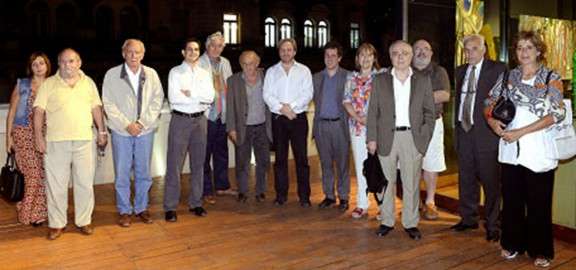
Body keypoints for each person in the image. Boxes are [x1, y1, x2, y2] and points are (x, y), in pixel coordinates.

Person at [485, 31, 565, 268]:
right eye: (520, 48)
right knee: (511, 201)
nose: (524, 52)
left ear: (539, 51)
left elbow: (556, 114)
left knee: (539, 203)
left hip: (538, 150)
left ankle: (541, 251)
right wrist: (493, 123)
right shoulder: (508, 76)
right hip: (510, 150)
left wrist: (521, 132)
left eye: (529, 47)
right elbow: (489, 103)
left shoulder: (552, 77)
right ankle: (512, 244)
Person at [33, 48, 107, 240]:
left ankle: (84, 221)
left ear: (79, 63)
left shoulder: (88, 82)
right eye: (64, 62)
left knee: (84, 183)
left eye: (72, 61)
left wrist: (102, 130)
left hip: (84, 140)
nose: (68, 65)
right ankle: (57, 224)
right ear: (59, 64)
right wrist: (38, 137)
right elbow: (39, 112)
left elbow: (96, 108)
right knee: (56, 185)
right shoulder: (49, 84)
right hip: (56, 142)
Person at [366, 40, 435, 240]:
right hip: (386, 136)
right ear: (390, 57)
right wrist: (371, 138)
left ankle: (410, 223)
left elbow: (429, 112)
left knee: (411, 183)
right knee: (386, 182)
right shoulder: (380, 80)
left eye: (404, 53)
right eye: (395, 53)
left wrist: (425, 136)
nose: (400, 57)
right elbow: (373, 113)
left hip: (413, 138)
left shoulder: (423, 80)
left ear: (411, 56)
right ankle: (387, 221)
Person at [102, 39, 164, 227]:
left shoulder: (151, 74)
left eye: (137, 52)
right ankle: (124, 210)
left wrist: (142, 123)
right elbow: (108, 103)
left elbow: (157, 99)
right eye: (130, 52)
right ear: (123, 53)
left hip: (145, 131)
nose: (134, 56)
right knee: (122, 172)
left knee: (143, 171)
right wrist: (127, 124)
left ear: (143, 54)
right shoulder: (112, 75)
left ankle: (141, 208)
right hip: (122, 131)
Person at [452, 34, 506, 242]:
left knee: (491, 182)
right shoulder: (460, 71)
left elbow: (502, 100)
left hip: (486, 134)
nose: (470, 53)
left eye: (474, 48)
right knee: (466, 178)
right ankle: (468, 218)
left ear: (484, 49)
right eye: (467, 49)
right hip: (464, 132)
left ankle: (493, 225)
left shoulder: (497, 69)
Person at [164, 38, 214, 222]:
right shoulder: (175, 72)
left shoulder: (204, 72)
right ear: (183, 52)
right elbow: (174, 98)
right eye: (189, 49)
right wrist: (197, 97)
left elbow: (210, 97)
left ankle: (196, 202)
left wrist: (190, 94)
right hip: (181, 120)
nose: (193, 52)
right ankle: (170, 206)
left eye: (196, 49)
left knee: (199, 164)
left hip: (200, 121)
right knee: (174, 165)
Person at [263, 38, 314, 207]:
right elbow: (267, 95)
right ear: (279, 52)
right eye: (283, 49)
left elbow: (308, 93)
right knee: (280, 159)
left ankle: (305, 197)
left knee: (301, 159)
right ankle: (281, 195)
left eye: (289, 49)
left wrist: (291, 108)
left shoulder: (304, 70)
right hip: (279, 119)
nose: (286, 52)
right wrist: (282, 109)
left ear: (294, 51)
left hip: (298, 119)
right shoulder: (271, 71)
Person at [5, 52, 50, 226]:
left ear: (47, 65)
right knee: (33, 173)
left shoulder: (53, 85)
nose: (38, 67)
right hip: (23, 133)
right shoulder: (22, 84)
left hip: (45, 135)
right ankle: (27, 213)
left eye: (41, 63)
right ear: (30, 68)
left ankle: (38, 212)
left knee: (42, 174)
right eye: (34, 64)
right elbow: (11, 112)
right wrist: (8, 138)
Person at [411, 39, 451, 220]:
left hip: (433, 124)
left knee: (431, 164)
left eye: (425, 49)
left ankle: (430, 202)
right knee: (410, 164)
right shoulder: (404, 70)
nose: (421, 52)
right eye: (417, 49)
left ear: (431, 53)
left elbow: (444, 95)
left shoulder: (439, 71)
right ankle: (413, 202)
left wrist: (417, 97)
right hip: (409, 125)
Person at [344, 43, 383, 219]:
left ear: (374, 58)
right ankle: (362, 204)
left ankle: (384, 205)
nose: (366, 59)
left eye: (369, 55)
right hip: (358, 128)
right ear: (357, 59)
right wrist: (359, 118)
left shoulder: (382, 77)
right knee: (361, 166)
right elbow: (346, 101)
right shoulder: (351, 78)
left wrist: (372, 119)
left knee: (381, 166)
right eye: (362, 55)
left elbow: (387, 101)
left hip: (379, 128)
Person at [226, 50, 272, 203]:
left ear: (257, 63)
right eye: (244, 64)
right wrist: (231, 128)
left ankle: (260, 191)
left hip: (263, 126)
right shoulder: (233, 81)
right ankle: (243, 191)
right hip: (242, 127)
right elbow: (230, 107)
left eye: (251, 63)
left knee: (263, 161)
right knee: (242, 162)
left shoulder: (267, 77)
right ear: (240, 65)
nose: (248, 67)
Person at [313, 41, 350, 211]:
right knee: (325, 163)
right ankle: (329, 195)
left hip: (340, 126)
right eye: (327, 55)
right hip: (321, 126)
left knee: (342, 163)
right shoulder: (316, 77)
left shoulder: (348, 77)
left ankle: (343, 197)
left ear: (339, 58)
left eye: (333, 55)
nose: (329, 58)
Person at [199, 31, 235, 204]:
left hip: (223, 115)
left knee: (221, 151)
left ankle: (222, 186)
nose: (216, 48)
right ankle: (206, 190)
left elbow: (230, 88)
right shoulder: (198, 63)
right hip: (207, 116)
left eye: (219, 45)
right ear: (207, 46)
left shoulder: (226, 63)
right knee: (204, 155)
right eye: (213, 45)